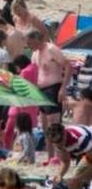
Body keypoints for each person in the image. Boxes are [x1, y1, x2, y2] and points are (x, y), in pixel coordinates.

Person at [30, 30, 72, 163]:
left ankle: (61, 156)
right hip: (41, 90)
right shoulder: (35, 53)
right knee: (45, 126)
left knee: (55, 125)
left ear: (37, 39)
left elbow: (68, 66)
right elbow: (35, 72)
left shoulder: (52, 49)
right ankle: (50, 157)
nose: (28, 45)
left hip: (53, 87)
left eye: (30, 42)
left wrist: (63, 88)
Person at [45, 123, 92, 189]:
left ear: (64, 134)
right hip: (88, 156)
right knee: (73, 184)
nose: (58, 144)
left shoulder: (81, 139)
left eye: (59, 141)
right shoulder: (56, 139)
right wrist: (59, 175)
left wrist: (80, 178)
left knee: (76, 180)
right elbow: (65, 161)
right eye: (55, 142)